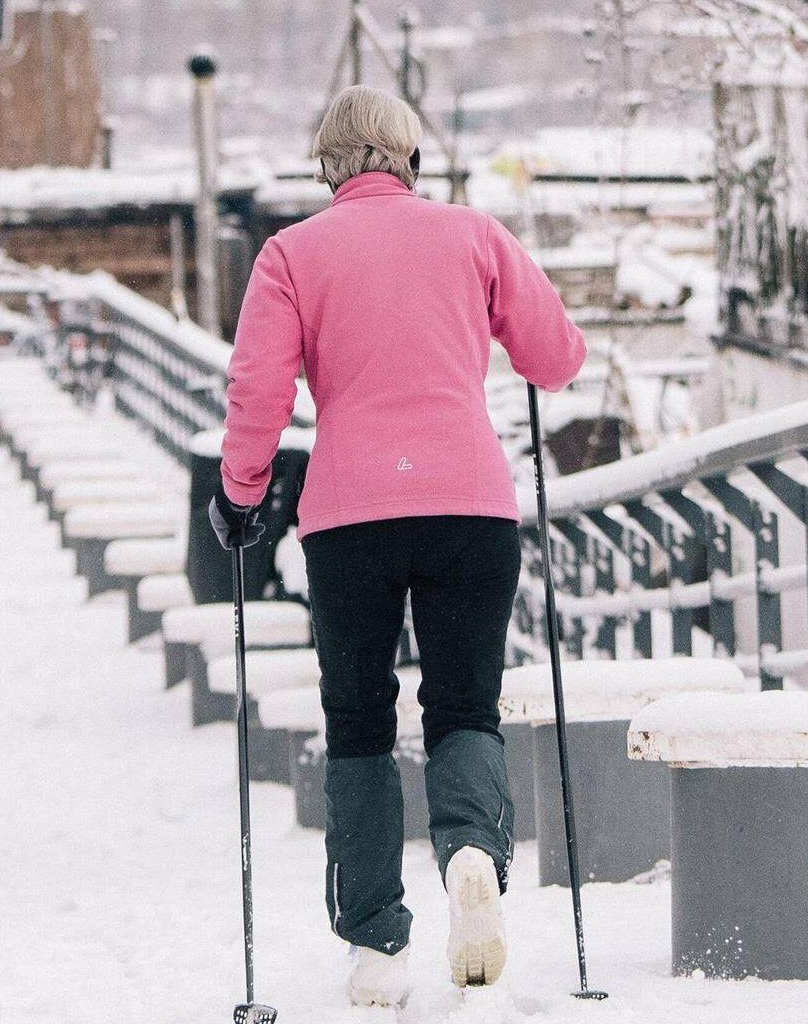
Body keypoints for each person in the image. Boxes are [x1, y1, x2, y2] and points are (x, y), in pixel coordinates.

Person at [208, 85, 585, 1007]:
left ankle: (377, 940)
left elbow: (258, 392)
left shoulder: (290, 253)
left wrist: (239, 494)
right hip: (471, 507)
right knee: (466, 704)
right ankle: (470, 855)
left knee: (360, 721)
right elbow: (557, 359)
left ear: (326, 167)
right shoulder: (476, 235)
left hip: (349, 517)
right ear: (410, 157)